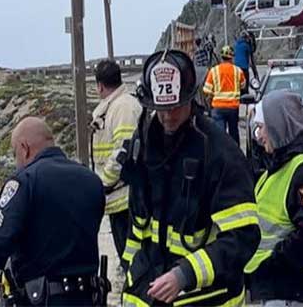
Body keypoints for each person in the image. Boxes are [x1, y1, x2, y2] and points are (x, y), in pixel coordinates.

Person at [119, 50, 260, 306]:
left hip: (206, 295)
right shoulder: (145, 146)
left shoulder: (220, 153)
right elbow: (137, 223)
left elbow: (244, 237)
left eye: (176, 106)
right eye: (161, 109)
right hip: (150, 287)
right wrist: (131, 267)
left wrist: (185, 274)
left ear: (191, 99)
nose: (169, 116)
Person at [0, 117, 105, 306]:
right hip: (88, 297)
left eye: (15, 154)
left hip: (43, 298)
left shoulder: (26, 181)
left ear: (24, 148)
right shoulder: (92, 180)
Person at [245, 91, 303, 307]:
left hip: (291, 290)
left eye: (262, 127)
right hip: (275, 288)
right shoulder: (274, 170)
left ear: (278, 127)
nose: (259, 135)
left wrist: (271, 265)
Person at [91, 59, 142, 268]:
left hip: (125, 197)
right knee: (127, 258)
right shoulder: (116, 106)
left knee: (132, 260)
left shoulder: (123, 108)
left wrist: (103, 183)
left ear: (100, 85)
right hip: (118, 197)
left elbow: (124, 151)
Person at [203, 45, 246, 144]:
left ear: (221, 57)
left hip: (218, 108)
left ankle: (221, 156)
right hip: (233, 107)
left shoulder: (214, 71)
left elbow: (206, 90)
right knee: (234, 133)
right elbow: (243, 85)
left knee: (219, 135)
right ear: (232, 57)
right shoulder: (238, 71)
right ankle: (235, 155)